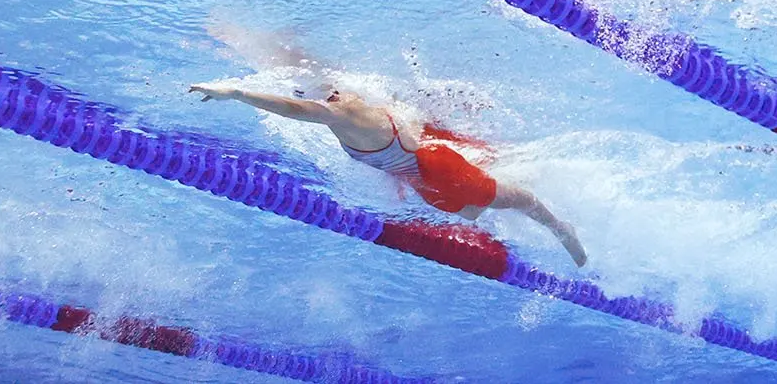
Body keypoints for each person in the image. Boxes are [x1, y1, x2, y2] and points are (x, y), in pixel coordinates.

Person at [189, 78, 587, 266]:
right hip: (424, 178)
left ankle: (560, 226)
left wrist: (237, 93)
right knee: (475, 210)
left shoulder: (338, 112)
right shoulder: (344, 107)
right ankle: (511, 183)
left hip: (435, 169)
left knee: (515, 200)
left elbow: (289, 110)